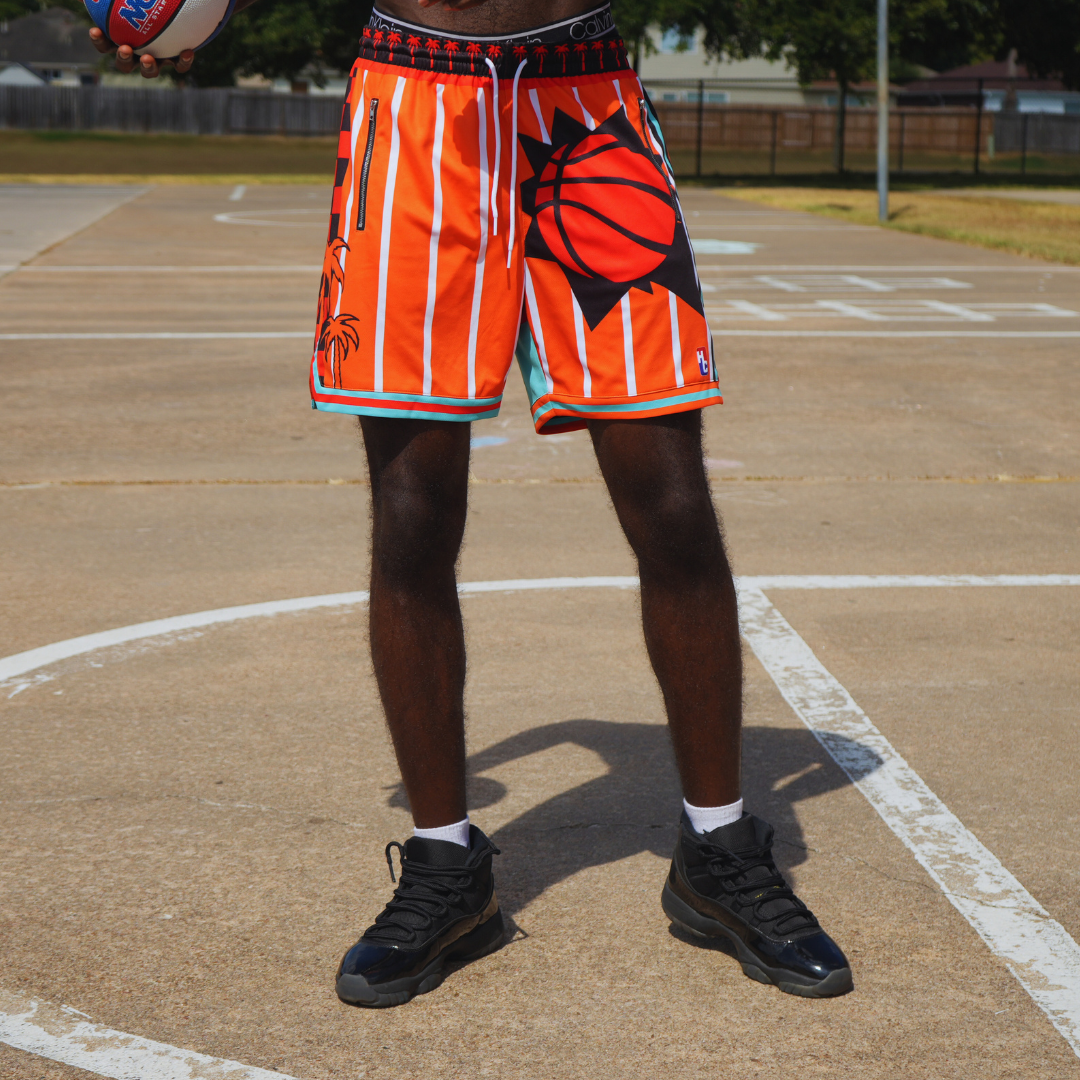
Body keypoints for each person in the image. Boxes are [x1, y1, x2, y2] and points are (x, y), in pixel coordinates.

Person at [93, 0, 852, 1008]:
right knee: (412, 511)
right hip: (413, 108)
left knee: (670, 502)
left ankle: (718, 854)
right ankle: (447, 868)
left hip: (584, 105)